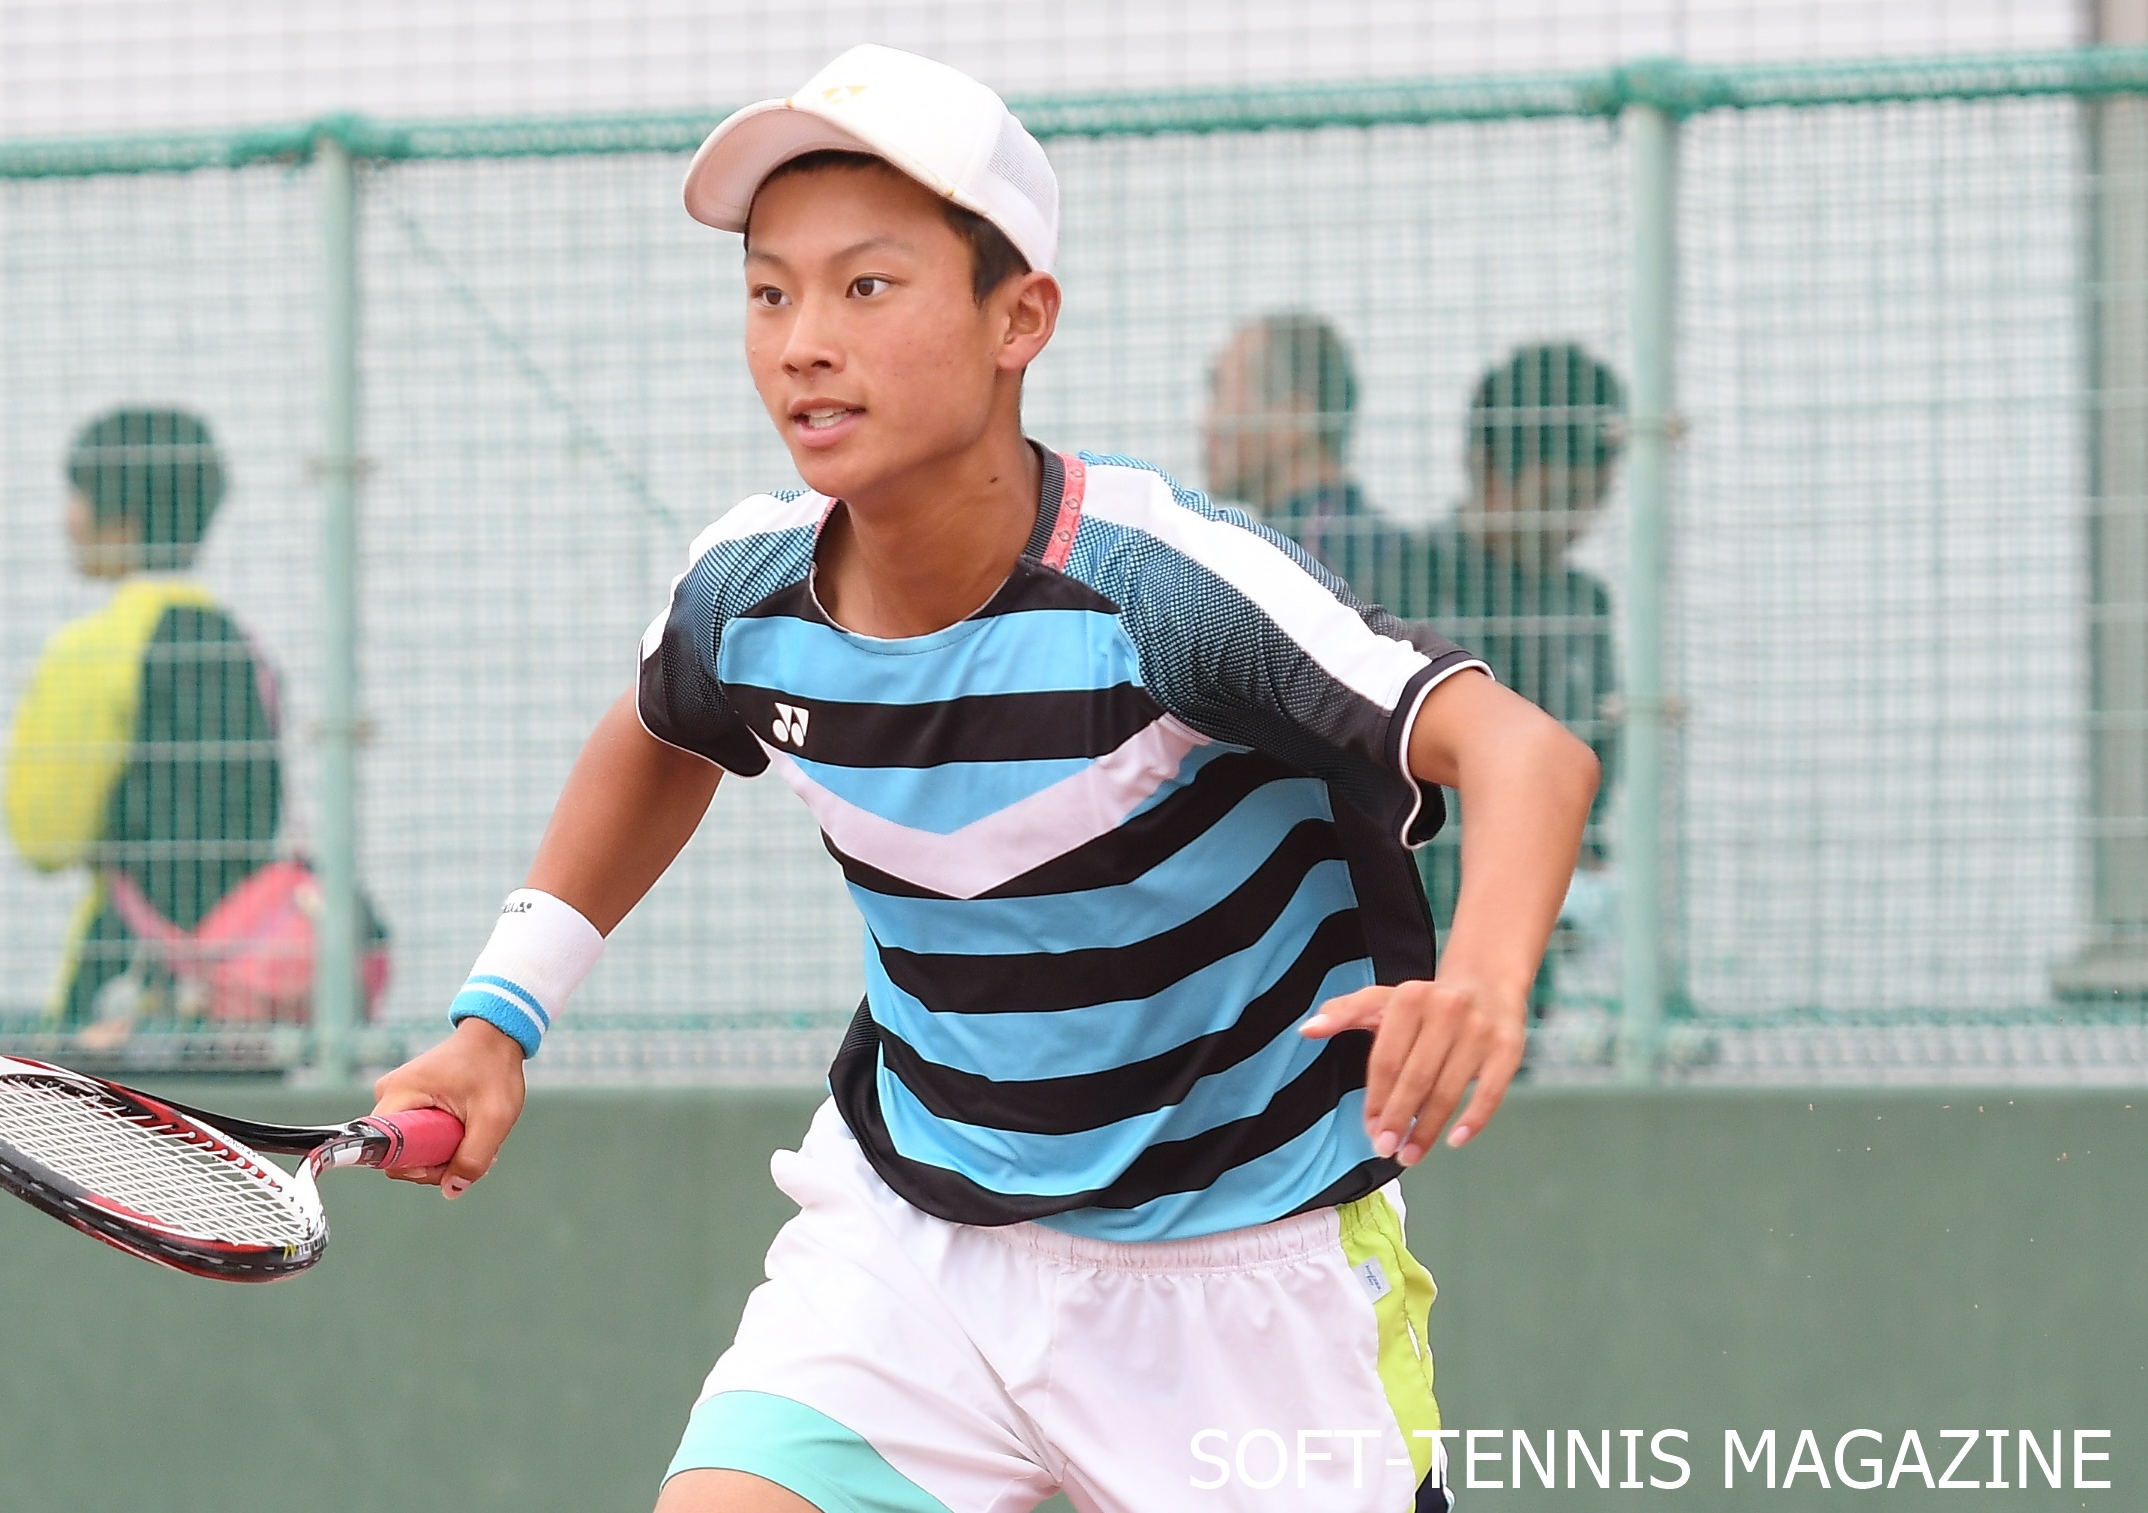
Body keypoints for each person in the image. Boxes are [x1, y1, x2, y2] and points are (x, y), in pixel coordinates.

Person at [374, 45, 1597, 1513]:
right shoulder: (745, 593)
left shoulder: (1168, 592)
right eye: (769, 294)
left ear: (1019, 318)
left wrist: (1482, 981)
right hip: (914, 1253)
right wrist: (498, 1019)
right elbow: (659, 732)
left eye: (865, 288)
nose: (803, 343)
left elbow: (1524, 750)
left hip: (1240, 1279)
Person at [1316, 342, 1623, 983]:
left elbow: (1598, 761)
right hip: (1415, 939)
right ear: (1483, 467)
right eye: (1555, 495)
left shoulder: (1585, 604)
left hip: (1533, 939)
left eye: (1590, 498)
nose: (1573, 522)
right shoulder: (1401, 592)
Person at [3, 406, 284, 1030]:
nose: (66, 520)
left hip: (121, 976)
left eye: (77, 497)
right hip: (238, 985)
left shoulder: (92, 649)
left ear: (121, 518)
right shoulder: (245, 648)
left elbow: (43, 839)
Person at [1202, 312, 1362, 547]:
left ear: (1291, 420)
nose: (1204, 424)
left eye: (1219, 395)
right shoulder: (1361, 544)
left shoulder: (1312, 557)